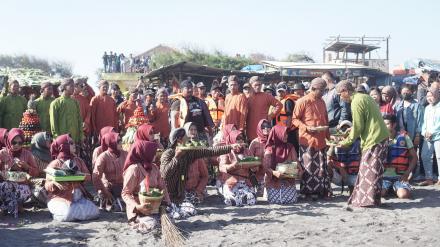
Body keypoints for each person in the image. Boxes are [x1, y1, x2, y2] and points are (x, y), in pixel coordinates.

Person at [336, 80, 389, 207]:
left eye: (340, 94)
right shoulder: (364, 97)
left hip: (374, 139)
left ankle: (367, 201)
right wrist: (352, 128)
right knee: (374, 170)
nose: (340, 97)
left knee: (368, 171)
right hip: (380, 137)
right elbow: (365, 120)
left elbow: (359, 127)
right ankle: (374, 200)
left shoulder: (356, 102)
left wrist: (346, 141)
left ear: (345, 91)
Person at [160, 128, 241, 206]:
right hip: (168, 194)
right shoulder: (167, 154)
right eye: (185, 137)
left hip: (181, 194)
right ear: (179, 140)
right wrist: (176, 157)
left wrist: (230, 147)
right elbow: (165, 174)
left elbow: (210, 151)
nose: (189, 138)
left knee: (191, 206)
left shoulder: (189, 152)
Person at [292, 78, 332, 199]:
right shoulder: (302, 101)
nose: (323, 93)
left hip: (321, 139)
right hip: (307, 139)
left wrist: (329, 138)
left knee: (321, 165)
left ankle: (322, 190)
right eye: (321, 91)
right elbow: (294, 119)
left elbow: (325, 120)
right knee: (308, 166)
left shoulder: (322, 101)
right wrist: (307, 128)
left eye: (324, 90)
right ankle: (308, 192)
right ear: (313, 89)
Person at [45, 134, 99, 221]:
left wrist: (78, 175)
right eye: (71, 143)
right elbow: (47, 185)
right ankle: (55, 215)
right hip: (60, 198)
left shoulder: (78, 161)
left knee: (95, 212)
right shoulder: (55, 163)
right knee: (67, 215)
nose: (74, 145)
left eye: (73, 143)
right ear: (63, 146)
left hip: (78, 198)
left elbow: (89, 177)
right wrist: (54, 183)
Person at [121, 141, 170, 232]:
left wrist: (166, 202)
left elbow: (162, 186)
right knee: (151, 225)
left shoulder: (154, 168)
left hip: (154, 206)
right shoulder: (134, 169)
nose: (155, 155)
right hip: (139, 209)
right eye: (153, 152)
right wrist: (138, 207)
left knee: (170, 221)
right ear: (145, 153)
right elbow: (125, 193)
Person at [0, 129, 39, 217]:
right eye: (14, 142)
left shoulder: (27, 154)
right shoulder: (3, 153)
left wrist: (27, 167)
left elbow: (36, 172)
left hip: (22, 186)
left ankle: (8, 207)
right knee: (6, 185)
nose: (17, 145)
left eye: (20, 143)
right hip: (6, 184)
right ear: (9, 140)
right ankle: (15, 206)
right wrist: (4, 163)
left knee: (12, 188)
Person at [218, 130, 257, 206]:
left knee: (250, 200)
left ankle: (244, 197)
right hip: (231, 184)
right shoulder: (226, 151)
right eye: (237, 139)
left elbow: (255, 169)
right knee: (233, 201)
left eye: (242, 138)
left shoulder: (247, 151)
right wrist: (233, 166)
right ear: (232, 140)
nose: (240, 141)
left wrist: (253, 165)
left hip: (245, 183)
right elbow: (222, 167)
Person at [382, 115, 417, 198]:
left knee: (403, 195)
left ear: (394, 125)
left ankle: (397, 188)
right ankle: (390, 188)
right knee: (380, 194)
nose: (384, 126)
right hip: (384, 176)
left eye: (387, 124)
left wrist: (407, 173)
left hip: (400, 176)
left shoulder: (405, 138)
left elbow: (414, 157)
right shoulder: (380, 139)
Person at [264, 125, 301, 204]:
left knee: (290, 199)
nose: (286, 136)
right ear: (277, 134)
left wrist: (297, 172)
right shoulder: (269, 149)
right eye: (284, 134)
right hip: (273, 182)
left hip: (288, 181)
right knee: (277, 200)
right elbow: (266, 168)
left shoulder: (290, 147)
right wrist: (274, 173)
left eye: (287, 134)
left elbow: (297, 165)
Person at [93, 132, 128, 211]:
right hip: (109, 189)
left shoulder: (125, 154)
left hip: (123, 188)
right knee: (113, 205)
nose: (121, 142)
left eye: (120, 140)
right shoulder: (103, 157)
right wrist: (105, 192)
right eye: (118, 141)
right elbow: (96, 177)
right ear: (111, 142)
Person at [181, 122, 209, 214]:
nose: (193, 132)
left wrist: (198, 190)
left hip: (196, 188)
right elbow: (180, 176)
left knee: (195, 199)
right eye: (191, 129)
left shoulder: (199, 147)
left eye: (195, 130)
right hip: (183, 189)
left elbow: (205, 175)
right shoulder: (180, 152)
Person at [246, 76, 282, 141]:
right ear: (251, 85)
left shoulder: (266, 96)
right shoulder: (247, 97)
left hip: (263, 128)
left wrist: (271, 116)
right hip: (250, 128)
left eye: (259, 85)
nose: (258, 87)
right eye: (255, 85)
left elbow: (279, 105)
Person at [49, 78, 83, 144]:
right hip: (62, 141)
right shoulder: (55, 103)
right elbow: (53, 124)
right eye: (71, 86)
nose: (74, 88)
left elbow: (79, 120)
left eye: (74, 86)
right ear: (64, 87)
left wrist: (81, 136)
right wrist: (57, 139)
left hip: (75, 139)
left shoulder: (75, 102)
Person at [419, 88, 440, 186]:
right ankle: (429, 178)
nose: (429, 98)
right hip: (427, 136)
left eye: (431, 96)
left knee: (439, 157)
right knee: (424, 156)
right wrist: (424, 132)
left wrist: (431, 132)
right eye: (427, 96)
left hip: (438, 136)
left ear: (437, 95)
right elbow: (424, 123)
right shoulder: (427, 108)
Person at [248, 119, 271, 194]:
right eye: (263, 127)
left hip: (271, 174)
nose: (266, 128)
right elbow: (249, 159)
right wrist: (257, 163)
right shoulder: (254, 142)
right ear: (259, 128)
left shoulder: (273, 141)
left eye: (268, 126)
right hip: (258, 175)